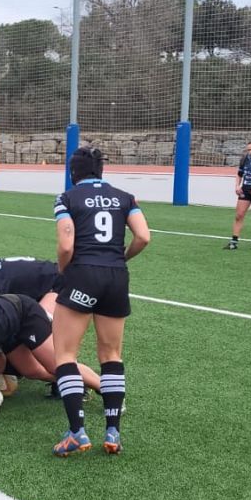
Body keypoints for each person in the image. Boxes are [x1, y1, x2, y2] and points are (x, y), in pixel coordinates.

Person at [51, 146, 150, 457]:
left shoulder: (67, 198)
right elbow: (143, 236)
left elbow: (66, 243)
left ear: (73, 172)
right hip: (117, 277)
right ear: (101, 171)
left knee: (65, 354)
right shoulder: (125, 197)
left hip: (83, 273)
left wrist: (64, 270)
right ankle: (113, 432)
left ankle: (77, 432)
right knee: (111, 354)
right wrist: (121, 258)